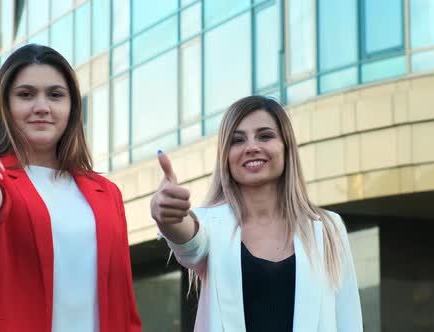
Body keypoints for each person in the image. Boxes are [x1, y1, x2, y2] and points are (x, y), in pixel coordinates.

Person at [0, 44, 141, 332]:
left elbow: (123, 300)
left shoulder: (107, 193)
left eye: (55, 95)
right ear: (4, 105)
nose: (42, 107)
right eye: (26, 94)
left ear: (72, 107)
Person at [151, 96, 363, 331]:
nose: (251, 147)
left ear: (287, 147)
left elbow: (348, 319)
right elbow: (188, 240)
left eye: (265, 135)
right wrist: (166, 214)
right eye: (237, 140)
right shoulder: (210, 224)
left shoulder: (327, 227)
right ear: (226, 156)